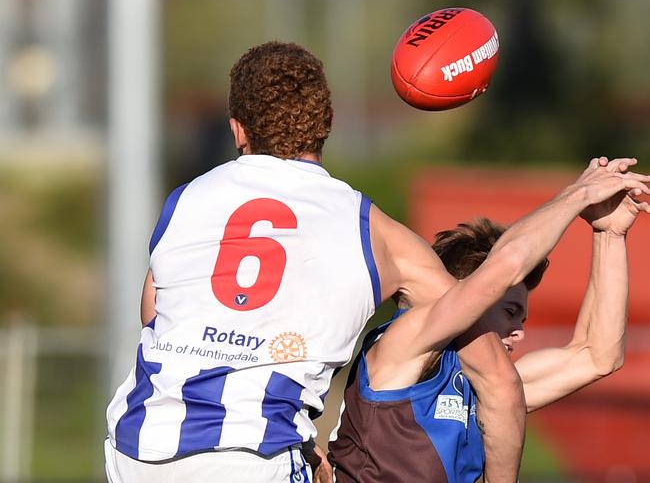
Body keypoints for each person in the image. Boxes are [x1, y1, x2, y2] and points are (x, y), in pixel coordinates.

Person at [103, 41, 532, 483]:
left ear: (237, 130)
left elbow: (154, 316)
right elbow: (496, 379)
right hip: (255, 456)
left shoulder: (185, 200)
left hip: (137, 448)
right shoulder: (377, 234)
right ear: (327, 123)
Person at [328, 159, 649, 482]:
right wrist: (579, 194)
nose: (520, 332)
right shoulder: (403, 342)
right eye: (509, 312)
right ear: (470, 295)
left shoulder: (484, 386)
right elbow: (509, 262)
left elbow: (596, 356)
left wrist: (609, 234)